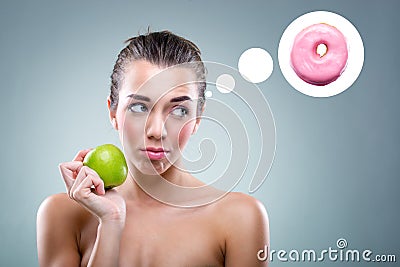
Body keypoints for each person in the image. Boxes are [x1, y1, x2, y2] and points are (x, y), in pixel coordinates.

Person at [36, 30, 270, 267]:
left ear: (198, 118)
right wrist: (110, 222)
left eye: (179, 111)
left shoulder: (240, 217)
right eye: (139, 107)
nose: (157, 131)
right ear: (113, 112)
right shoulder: (62, 214)